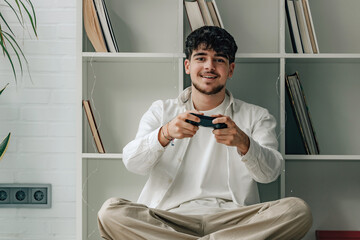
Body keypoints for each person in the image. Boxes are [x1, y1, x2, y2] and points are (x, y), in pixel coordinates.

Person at [98, 26, 312, 240]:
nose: (209, 66)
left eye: (219, 59)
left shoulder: (257, 116)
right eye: (201, 58)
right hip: (169, 219)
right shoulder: (162, 111)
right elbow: (132, 162)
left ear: (231, 69)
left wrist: (244, 143)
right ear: (188, 66)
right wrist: (165, 133)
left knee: (297, 210)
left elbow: (270, 173)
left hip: (235, 221)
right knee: (110, 212)